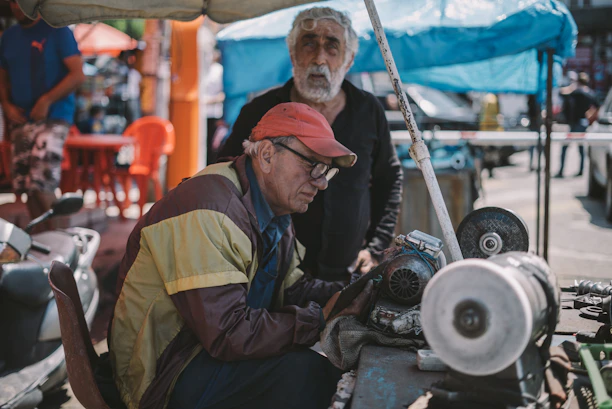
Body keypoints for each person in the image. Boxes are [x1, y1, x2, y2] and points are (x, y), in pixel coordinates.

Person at [108, 102, 373, 409]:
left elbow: (288, 289)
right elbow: (229, 334)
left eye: (327, 170)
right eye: (312, 165)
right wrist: (319, 319)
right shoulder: (210, 211)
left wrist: (351, 292)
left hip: (200, 349)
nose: (321, 181)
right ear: (266, 155)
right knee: (311, 377)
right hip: (162, 374)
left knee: (320, 369)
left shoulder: (274, 211)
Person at [217, 7, 403, 280]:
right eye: (309, 44)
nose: (319, 58)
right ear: (292, 54)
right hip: (270, 274)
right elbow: (226, 179)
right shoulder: (261, 111)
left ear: (348, 60)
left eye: (331, 46)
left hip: (347, 272)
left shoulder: (368, 110)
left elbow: (390, 177)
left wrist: (376, 248)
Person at [0, 0, 84, 220]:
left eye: (21, 2)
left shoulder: (58, 30)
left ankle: (61, 245)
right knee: (26, 185)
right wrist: (6, 105)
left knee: (41, 181)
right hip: (20, 118)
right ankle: (40, 242)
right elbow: (3, 78)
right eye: (12, 3)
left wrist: (46, 100)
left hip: (54, 116)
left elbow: (77, 74)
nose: (16, 7)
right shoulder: (8, 37)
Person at [555, 72, 600, 178]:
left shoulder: (576, 92)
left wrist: (571, 86)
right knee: (580, 148)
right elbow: (597, 106)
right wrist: (590, 115)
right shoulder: (590, 93)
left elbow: (561, 93)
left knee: (565, 147)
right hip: (583, 122)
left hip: (576, 123)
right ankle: (581, 170)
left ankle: (562, 170)